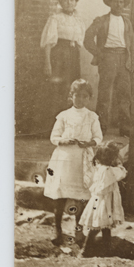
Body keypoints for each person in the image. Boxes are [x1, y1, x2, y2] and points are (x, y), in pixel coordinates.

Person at [45, 79, 102, 246]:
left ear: (89, 98)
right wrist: (64, 141)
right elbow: (54, 137)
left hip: (82, 160)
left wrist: (89, 143)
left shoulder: (92, 117)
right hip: (64, 158)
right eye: (77, 96)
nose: (80, 99)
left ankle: (78, 231)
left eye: (85, 96)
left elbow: (98, 137)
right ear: (71, 96)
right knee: (60, 195)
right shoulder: (63, 116)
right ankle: (57, 230)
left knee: (81, 196)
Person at [83, 0, 134, 135]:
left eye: (121, 2)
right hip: (108, 57)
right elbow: (87, 38)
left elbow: (132, 44)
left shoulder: (127, 22)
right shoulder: (102, 20)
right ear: (110, 4)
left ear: (124, 5)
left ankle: (125, 128)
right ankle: (101, 127)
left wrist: (133, 62)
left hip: (124, 59)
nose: (119, 5)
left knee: (125, 95)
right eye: (116, 2)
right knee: (105, 94)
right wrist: (99, 53)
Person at [40, 0, 86, 121]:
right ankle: (51, 124)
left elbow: (79, 41)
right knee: (57, 89)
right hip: (58, 56)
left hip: (73, 55)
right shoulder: (55, 18)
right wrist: (47, 63)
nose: (69, 3)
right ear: (60, 3)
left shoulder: (78, 20)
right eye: (65, 0)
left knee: (72, 88)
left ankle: (68, 124)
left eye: (72, 0)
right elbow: (48, 42)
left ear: (76, 2)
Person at [78, 141, 127, 255]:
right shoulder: (109, 171)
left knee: (105, 226)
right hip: (104, 203)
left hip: (100, 201)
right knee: (97, 227)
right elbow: (122, 173)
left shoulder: (99, 167)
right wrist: (119, 164)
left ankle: (106, 248)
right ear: (112, 158)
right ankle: (85, 250)